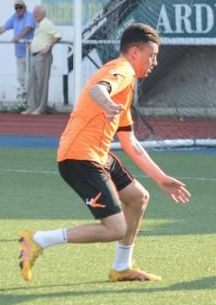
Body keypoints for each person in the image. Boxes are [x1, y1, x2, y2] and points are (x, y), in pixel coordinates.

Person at [17, 23, 191, 282]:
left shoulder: (126, 84)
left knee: (138, 198)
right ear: (134, 52)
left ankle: (121, 268)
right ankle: (38, 240)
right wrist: (107, 101)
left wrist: (161, 178)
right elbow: (97, 89)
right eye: (152, 56)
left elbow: (130, 141)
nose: (155, 62)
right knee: (115, 228)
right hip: (79, 157)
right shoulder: (121, 70)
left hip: (97, 155)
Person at [0, 0, 35, 104]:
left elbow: (28, 28)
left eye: (20, 7)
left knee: (30, 79)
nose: (18, 9)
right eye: (16, 8)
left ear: (25, 7)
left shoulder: (30, 16)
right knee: (21, 78)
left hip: (30, 54)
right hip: (19, 54)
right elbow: (2, 29)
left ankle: (32, 102)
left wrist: (18, 37)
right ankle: (26, 101)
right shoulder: (14, 17)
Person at [23, 5, 62, 115]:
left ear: (42, 13)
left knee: (42, 83)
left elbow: (58, 35)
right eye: (34, 13)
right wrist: (33, 45)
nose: (34, 15)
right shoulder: (39, 24)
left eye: (36, 13)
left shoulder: (47, 23)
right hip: (34, 56)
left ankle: (41, 108)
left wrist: (48, 46)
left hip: (43, 57)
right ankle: (32, 107)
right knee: (31, 82)